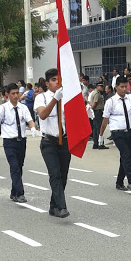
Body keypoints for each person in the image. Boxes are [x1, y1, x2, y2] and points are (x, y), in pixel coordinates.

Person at [99, 76, 131, 192]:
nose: (124, 89)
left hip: (129, 132)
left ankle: (119, 182)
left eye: (125, 87)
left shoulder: (129, 98)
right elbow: (105, 120)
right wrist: (101, 135)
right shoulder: (110, 102)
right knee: (126, 156)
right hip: (117, 133)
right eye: (121, 87)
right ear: (116, 87)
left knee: (124, 158)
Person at [33, 69, 71, 218]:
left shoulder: (66, 97)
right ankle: (62, 207)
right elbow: (42, 115)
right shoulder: (41, 97)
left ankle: (53, 206)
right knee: (54, 174)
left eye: (59, 79)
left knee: (63, 176)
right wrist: (55, 99)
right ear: (48, 83)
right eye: (54, 80)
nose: (57, 82)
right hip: (49, 142)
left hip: (64, 140)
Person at [0, 83, 36, 203]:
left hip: (21, 141)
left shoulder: (23, 108)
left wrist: (32, 128)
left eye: (17, 93)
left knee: (19, 167)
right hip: (9, 142)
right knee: (14, 167)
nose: (16, 96)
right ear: (8, 95)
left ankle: (13, 192)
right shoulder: (3, 109)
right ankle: (20, 194)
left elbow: (30, 120)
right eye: (13, 94)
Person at [91, 82, 108, 150]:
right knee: (99, 128)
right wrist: (92, 110)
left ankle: (95, 143)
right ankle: (100, 144)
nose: (102, 88)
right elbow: (95, 103)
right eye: (101, 86)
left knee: (95, 128)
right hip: (98, 112)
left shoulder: (94, 92)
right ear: (97, 86)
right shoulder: (97, 94)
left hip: (96, 112)